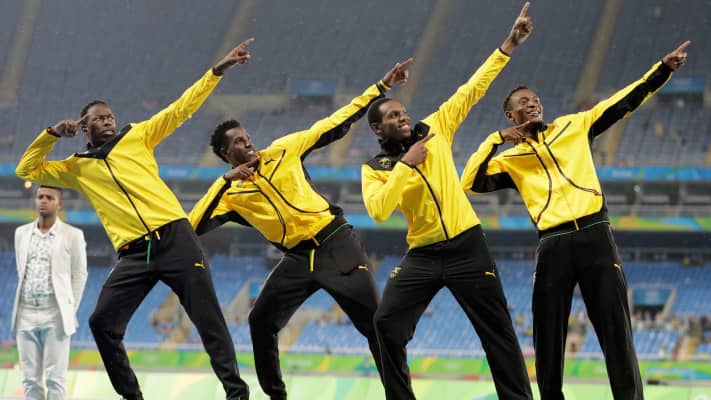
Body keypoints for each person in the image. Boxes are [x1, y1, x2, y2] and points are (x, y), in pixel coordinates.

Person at [15, 38, 257, 400]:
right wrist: (51, 134)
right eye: (99, 118)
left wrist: (217, 70)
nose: (107, 120)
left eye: (109, 116)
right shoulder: (76, 168)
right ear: (83, 127)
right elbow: (27, 169)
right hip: (133, 254)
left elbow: (181, 109)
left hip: (176, 239)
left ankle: (237, 395)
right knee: (102, 323)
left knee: (209, 321)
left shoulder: (138, 135)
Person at [461, 40, 691, 400]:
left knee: (616, 330)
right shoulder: (510, 160)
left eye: (536, 100)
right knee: (547, 335)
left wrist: (662, 70)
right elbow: (470, 182)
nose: (533, 104)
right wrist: (495, 140)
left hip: (596, 234)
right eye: (523, 102)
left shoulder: (574, 126)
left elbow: (624, 102)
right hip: (553, 243)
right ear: (510, 116)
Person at [188, 58, 412, 400]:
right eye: (238, 142)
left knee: (376, 326)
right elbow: (191, 226)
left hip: (335, 243)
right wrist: (223, 182)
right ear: (224, 153)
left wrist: (381, 87)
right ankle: (276, 396)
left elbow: (334, 122)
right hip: (296, 259)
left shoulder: (283, 150)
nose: (248, 143)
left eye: (247, 137)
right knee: (260, 321)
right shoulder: (230, 194)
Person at [361, 3, 534, 400]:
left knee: (498, 332)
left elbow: (472, 89)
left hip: (467, 247)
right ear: (377, 129)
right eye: (393, 116)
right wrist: (405, 165)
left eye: (403, 112)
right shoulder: (375, 168)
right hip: (422, 255)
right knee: (386, 324)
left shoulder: (436, 128)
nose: (403, 117)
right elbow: (379, 210)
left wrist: (509, 45)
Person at [12, 185, 87, 400]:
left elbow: (80, 275)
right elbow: (21, 269)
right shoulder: (21, 233)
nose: (43, 201)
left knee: (55, 380)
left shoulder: (73, 235)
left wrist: (69, 309)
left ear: (59, 203)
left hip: (55, 314)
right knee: (30, 380)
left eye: (50, 198)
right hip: (25, 313)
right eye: (40, 197)